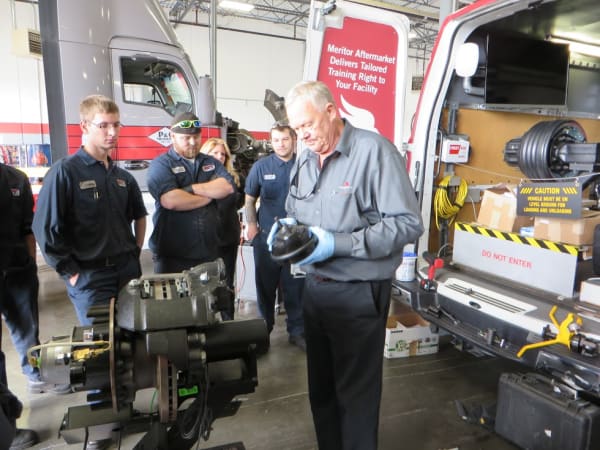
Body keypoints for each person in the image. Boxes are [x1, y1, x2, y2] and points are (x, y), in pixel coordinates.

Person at [281, 80, 424, 450]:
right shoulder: (305, 159)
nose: (302, 135)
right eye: (296, 128)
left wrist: (338, 244)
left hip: (358, 292)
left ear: (331, 111)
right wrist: (287, 230)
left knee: (355, 398)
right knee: (322, 392)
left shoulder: (374, 153)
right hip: (315, 289)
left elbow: (408, 224)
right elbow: (294, 208)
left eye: (307, 124)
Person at [33, 95, 147, 327]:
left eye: (116, 125)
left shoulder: (122, 177)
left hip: (127, 273)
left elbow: (139, 215)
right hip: (91, 278)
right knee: (101, 342)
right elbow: (45, 229)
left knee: (134, 337)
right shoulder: (65, 172)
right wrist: (71, 272)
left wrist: (134, 253)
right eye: (103, 125)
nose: (112, 132)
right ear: (84, 126)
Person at [148, 112, 235, 274]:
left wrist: (191, 189)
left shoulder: (210, 162)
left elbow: (227, 187)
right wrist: (209, 196)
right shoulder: (161, 164)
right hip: (172, 255)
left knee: (212, 292)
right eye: (186, 138)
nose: (193, 142)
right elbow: (171, 200)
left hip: (208, 252)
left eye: (196, 137)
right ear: (172, 136)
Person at [244, 123, 305, 351]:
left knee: (296, 287)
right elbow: (250, 200)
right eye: (276, 140)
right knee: (265, 287)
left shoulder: (305, 165)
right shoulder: (261, 167)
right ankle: (264, 331)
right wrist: (252, 225)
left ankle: (297, 331)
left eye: (285, 139)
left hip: (297, 240)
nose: (281, 144)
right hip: (267, 237)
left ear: (294, 140)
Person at [0, 163, 39, 450]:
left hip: (17, 270)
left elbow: (28, 228)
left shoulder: (16, 179)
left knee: (27, 328)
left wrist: (31, 264)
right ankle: (4, 427)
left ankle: (35, 373)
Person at [200, 137, 243, 320]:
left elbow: (239, 202)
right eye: (214, 153)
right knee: (203, 282)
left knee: (226, 283)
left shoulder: (235, 178)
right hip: (204, 240)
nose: (219, 157)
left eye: (222, 154)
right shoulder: (197, 178)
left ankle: (228, 323)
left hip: (228, 238)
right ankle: (204, 322)